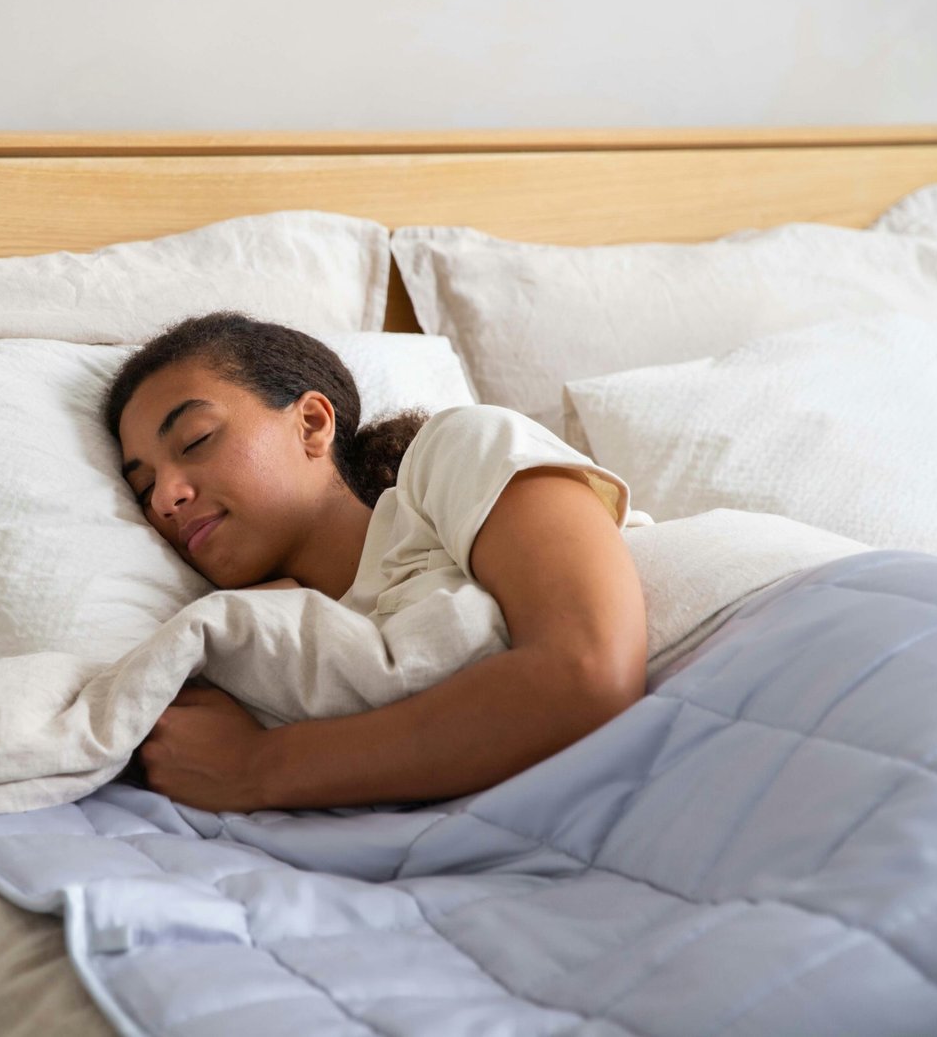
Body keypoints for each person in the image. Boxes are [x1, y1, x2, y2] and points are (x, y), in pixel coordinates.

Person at [106, 311, 647, 813]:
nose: (163, 499)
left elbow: (589, 670)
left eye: (196, 439)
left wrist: (258, 766)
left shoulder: (457, 453)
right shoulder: (253, 646)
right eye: (144, 486)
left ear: (313, 424)